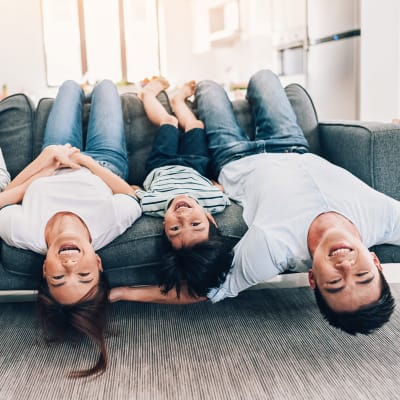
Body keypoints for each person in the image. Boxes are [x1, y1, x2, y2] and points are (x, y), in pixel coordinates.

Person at [110, 69, 396, 335]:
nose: (345, 267)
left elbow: (205, 289)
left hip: (234, 155)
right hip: (291, 142)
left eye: (334, 282)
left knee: (210, 88)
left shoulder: (272, 249)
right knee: (264, 77)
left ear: (312, 279)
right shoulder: (383, 219)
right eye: (362, 274)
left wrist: (124, 292)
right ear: (375, 262)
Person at [0, 80, 141, 377]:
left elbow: (5, 198)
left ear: (44, 271)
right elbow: (130, 196)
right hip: (103, 163)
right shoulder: (108, 226)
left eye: (59, 276)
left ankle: (78, 87)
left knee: (67, 88)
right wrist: (88, 162)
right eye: (83, 274)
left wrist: (44, 163)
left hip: (54, 155)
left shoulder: (23, 233)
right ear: (99, 263)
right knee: (105, 88)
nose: (70, 264)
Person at [132, 78, 232, 297]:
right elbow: (222, 191)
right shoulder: (215, 202)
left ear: (164, 228)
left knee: (169, 122)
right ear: (209, 218)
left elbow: (132, 191)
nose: (183, 216)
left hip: (162, 164)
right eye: (196, 223)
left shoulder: (152, 205)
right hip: (196, 165)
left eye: (174, 228)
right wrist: (217, 187)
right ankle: (178, 100)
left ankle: (147, 94)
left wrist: (135, 189)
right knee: (196, 126)